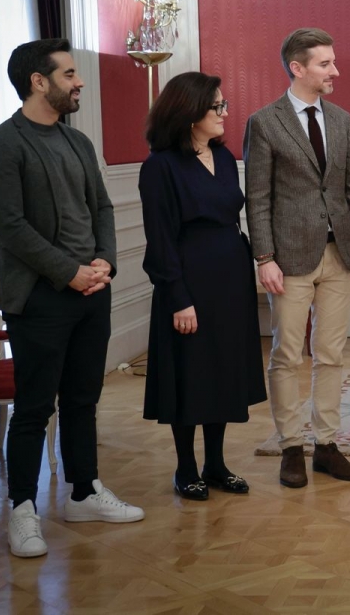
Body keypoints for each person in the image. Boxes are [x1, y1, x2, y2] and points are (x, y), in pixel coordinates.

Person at [0, 39, 144, 558]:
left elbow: (103, 210)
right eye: (70, 74)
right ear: (38, 81)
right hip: (41, 298)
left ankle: (84, 492)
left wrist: (104, 263)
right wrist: (69, 272)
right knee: (32, 408)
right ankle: (22, 511)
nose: (80, 82)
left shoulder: (78, 143)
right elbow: (12, 229)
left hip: (90, 288)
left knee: (82, 402)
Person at [243, 27, 350, 488]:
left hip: (339, 253)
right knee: (286, 356)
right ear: (297, 68)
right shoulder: (264, 122)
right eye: (325, 63)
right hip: (289, 258)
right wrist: (264, 256)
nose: (335, 70)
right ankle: (291, 447)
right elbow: (256, 197)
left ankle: (327, 445)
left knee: (331, 355)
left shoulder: (341, 119)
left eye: (333, 61)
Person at [140, 71, 267, 501]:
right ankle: (186, 467)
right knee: (190, 373)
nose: (225, 113)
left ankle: (215, 463)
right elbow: (159, 239)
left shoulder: (226, 157)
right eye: (217, 107)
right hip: (188, 283)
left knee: (222, 371)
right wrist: (178, 298)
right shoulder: (160, 166)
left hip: (230, 280)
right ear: (189, 111)